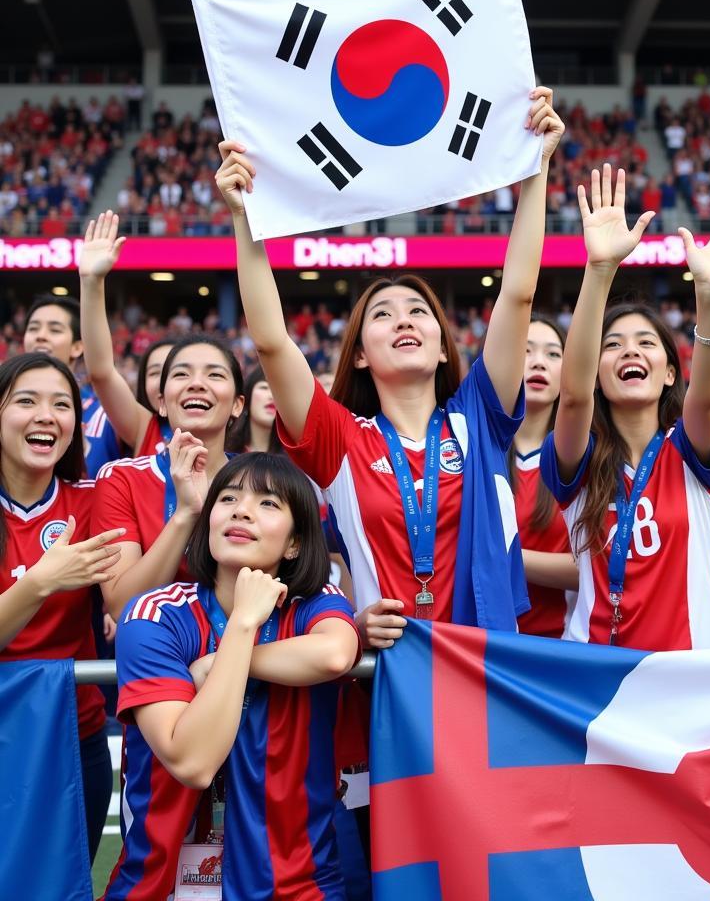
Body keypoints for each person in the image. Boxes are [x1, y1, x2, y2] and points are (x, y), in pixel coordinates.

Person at [217, 87, 563, 647]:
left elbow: (518, 295)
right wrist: (243, 219)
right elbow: (272, 342)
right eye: (382, 314)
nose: (403, 320)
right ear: (358, 351)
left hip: (486, 666)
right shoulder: (339, 439)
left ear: (445, 347)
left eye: (419, 311)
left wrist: (535, 173)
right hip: (387, 672)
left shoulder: (479, 414)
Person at [102, 452, 360, 900]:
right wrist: (242, 624)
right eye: (228, 498)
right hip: (161, 889)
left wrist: (220, 664)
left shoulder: (316, 601)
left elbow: (337, 654)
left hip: (299, 887)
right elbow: (193, 763)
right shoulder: (154, 614)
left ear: (295, 543)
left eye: (268, 503)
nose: (242, 509)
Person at [542, 165, 710, 650]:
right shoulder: (579, 458)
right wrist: (599, 270)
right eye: (613, 345)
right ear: (596, 370)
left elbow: (705, 394)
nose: (630, 352)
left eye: (646, 344)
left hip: (690, 678)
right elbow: (572, 396)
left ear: (667, 372)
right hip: (598, 681)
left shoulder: (691, 451)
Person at [0, 353, 125, 860]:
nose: (46, 415)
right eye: (26, 401)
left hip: (76, 738)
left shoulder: (96, 500)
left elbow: (134, 586)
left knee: (63, 882)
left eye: (61, 404)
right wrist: (42, 582)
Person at [95, 334, 245, 620]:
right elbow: (122, 606)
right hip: (154, 655)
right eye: (181, 374)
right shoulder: (120, 479)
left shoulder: (262, 482)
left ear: (237, 405)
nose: (197, 383)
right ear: (161, 403)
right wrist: (185, 514)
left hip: (246, 651)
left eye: (215, 374)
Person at [79, 211, 176, 457]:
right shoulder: (145, 428)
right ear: (142, 386)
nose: (165, 381)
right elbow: (101, 373)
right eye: (155, 372)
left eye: (178, 371)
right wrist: (91, 282)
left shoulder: (238, 445)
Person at [512, 316, 576, 638]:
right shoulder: (469, 451)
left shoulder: (585, 459)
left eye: (553, 354)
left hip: (559, 650)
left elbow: (596, 568)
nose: (539, 362)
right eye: (525, 351)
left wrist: (506, 557)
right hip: (478, 650)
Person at [23, 293, 120, 477]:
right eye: (33, 328)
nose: (41, 336)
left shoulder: (106, 415)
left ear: (77, 347)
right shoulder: (6, 406)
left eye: (55, 330)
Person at [226, 366, 283, 455]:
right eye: (264, 387)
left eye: (278, 390)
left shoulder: (297, 461)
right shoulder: (224, 451)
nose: (272, 396)